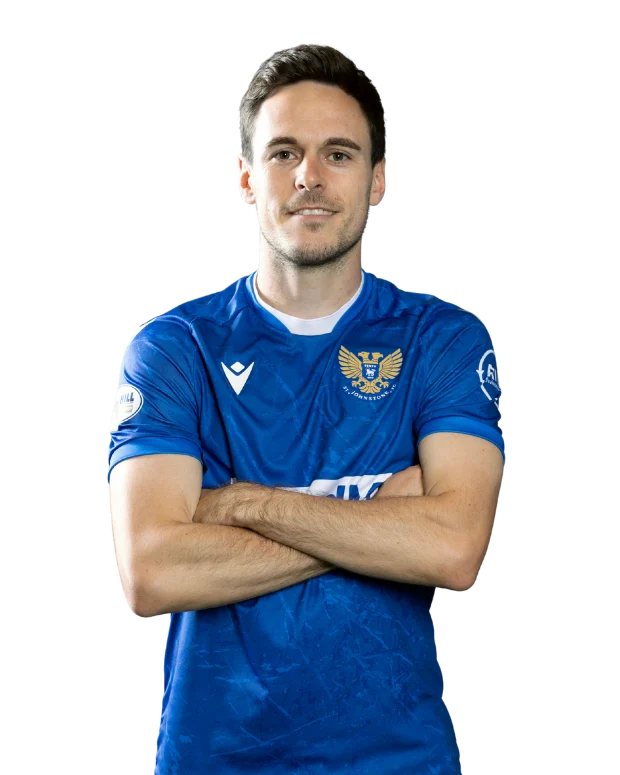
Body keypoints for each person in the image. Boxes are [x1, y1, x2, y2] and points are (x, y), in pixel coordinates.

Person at [108, 44, 505, 774]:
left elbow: (453, 550)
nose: (309, 176)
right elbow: (152, 572)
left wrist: (240, 504)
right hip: (215, 758)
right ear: (245, 178)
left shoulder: (441, 340)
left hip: (398, 760)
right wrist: (382, 522)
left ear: (378, 181)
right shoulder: (175, 348)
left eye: (339, 154)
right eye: (285, 152)